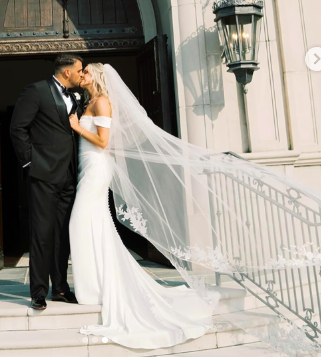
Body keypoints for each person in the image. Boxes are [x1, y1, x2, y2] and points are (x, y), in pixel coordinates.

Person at [68, 63, 217, 349]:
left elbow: (103, 141)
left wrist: (76, 128)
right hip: (87, 169)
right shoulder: (90, 101)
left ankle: (92, 288)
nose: (82, 74)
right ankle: (95, 287)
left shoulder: (102, 102)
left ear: (97, 76)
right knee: (96, 225)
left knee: (80, 222)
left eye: (86, 71)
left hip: (98, 168)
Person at [10, 54, 84, 310]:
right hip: (42, 174)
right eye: (79, 70)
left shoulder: (75, 97)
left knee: (62, 234)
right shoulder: (37, 91)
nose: (81, 74)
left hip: (68, 175)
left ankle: (61, 288)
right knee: (42, 234)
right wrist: (30, 163)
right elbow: (17, 128)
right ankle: (38, 292)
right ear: (66, 73)